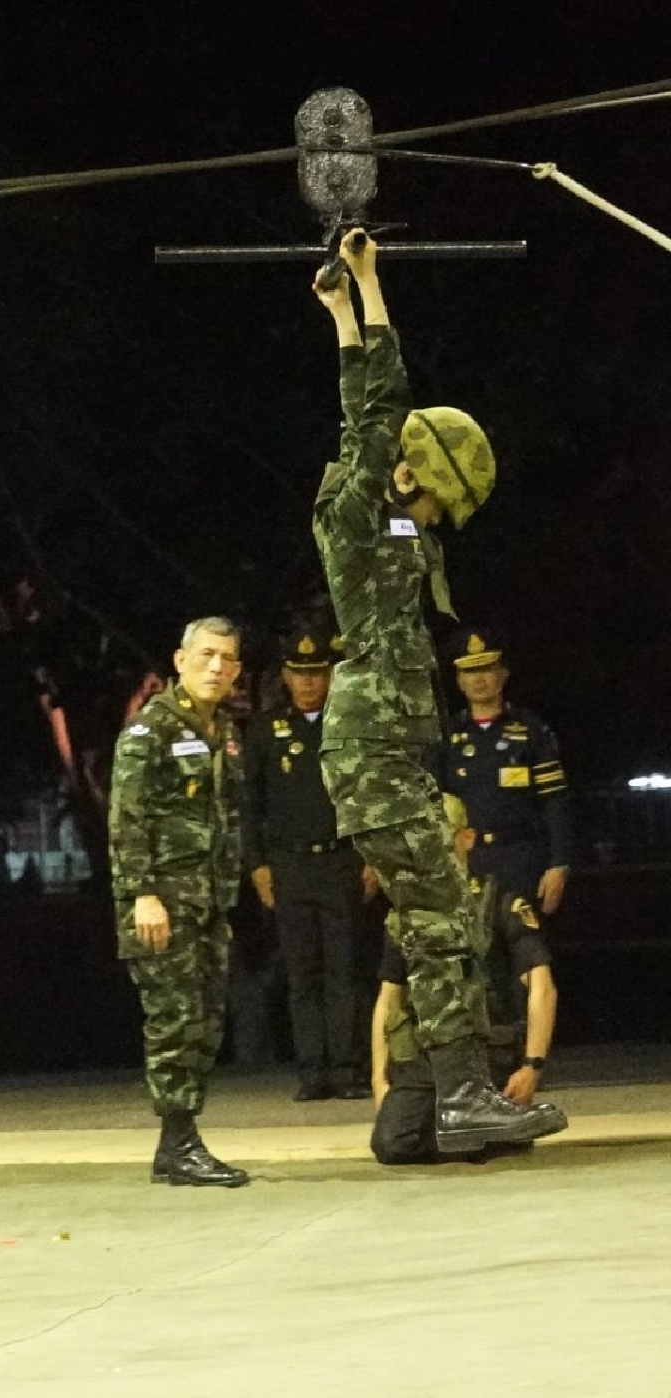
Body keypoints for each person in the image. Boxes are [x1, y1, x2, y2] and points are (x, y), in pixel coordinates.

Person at [310, 228, 566, 1153]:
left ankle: (446, 1103)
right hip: (371, 751)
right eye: (434, 505)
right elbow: (377, 414)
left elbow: (382, 419)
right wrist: (370, 293)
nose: (437, 525)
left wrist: (344, 310)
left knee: (434, 917)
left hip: (388, 751)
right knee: (441, 915)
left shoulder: (399, 532)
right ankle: (461, 1095)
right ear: (406, 476)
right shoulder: (357, 516)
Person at [108, 616, 249, 1187]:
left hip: (206, 906)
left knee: (205, 1024)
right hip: (161, 904)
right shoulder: (151, 731)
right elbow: (127, 818)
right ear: (180, 660)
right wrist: (142, 893)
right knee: (174, 1023)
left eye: (228, 659)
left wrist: (223, 906)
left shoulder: (225, 733)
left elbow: (226, 824)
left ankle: (179, 1144)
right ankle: (179, 1143)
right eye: (207, 656)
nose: (217, 667)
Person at [371, 795, 558, 1163]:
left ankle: (488, 1128)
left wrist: (532, 1066)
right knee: (392, 1144)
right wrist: (379, 1079)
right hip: (430, 1054)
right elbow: (388, 1000)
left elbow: (542, 987)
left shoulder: (499, 903)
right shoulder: (410, 913)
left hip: (488, 1049)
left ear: (466, 839)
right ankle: (483, 1137)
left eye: (440, 836)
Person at [244, 629, 376, 1100]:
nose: (307, 683)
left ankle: (346, 1070)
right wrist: (257, 866)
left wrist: (373, 859)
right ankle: (312, 1072)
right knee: (302, 975)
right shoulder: (265, 729)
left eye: (316, 673)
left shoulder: (350, 726)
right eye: (299, 674)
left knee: (345, 972)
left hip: (341, 860)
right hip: (289, 867)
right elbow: (249, 804)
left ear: (330, 674)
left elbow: (369, 797)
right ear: (285, 675)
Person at [443, 628, 572, 914]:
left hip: (522, 862)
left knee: (526, 950)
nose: (479, 679)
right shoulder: (448, 736)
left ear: (503, 674)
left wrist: (559, 864)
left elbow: (555, 800)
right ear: (459, 681)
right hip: (466, 864)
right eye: (470, 671)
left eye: (487, 669)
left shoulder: (530, 729)